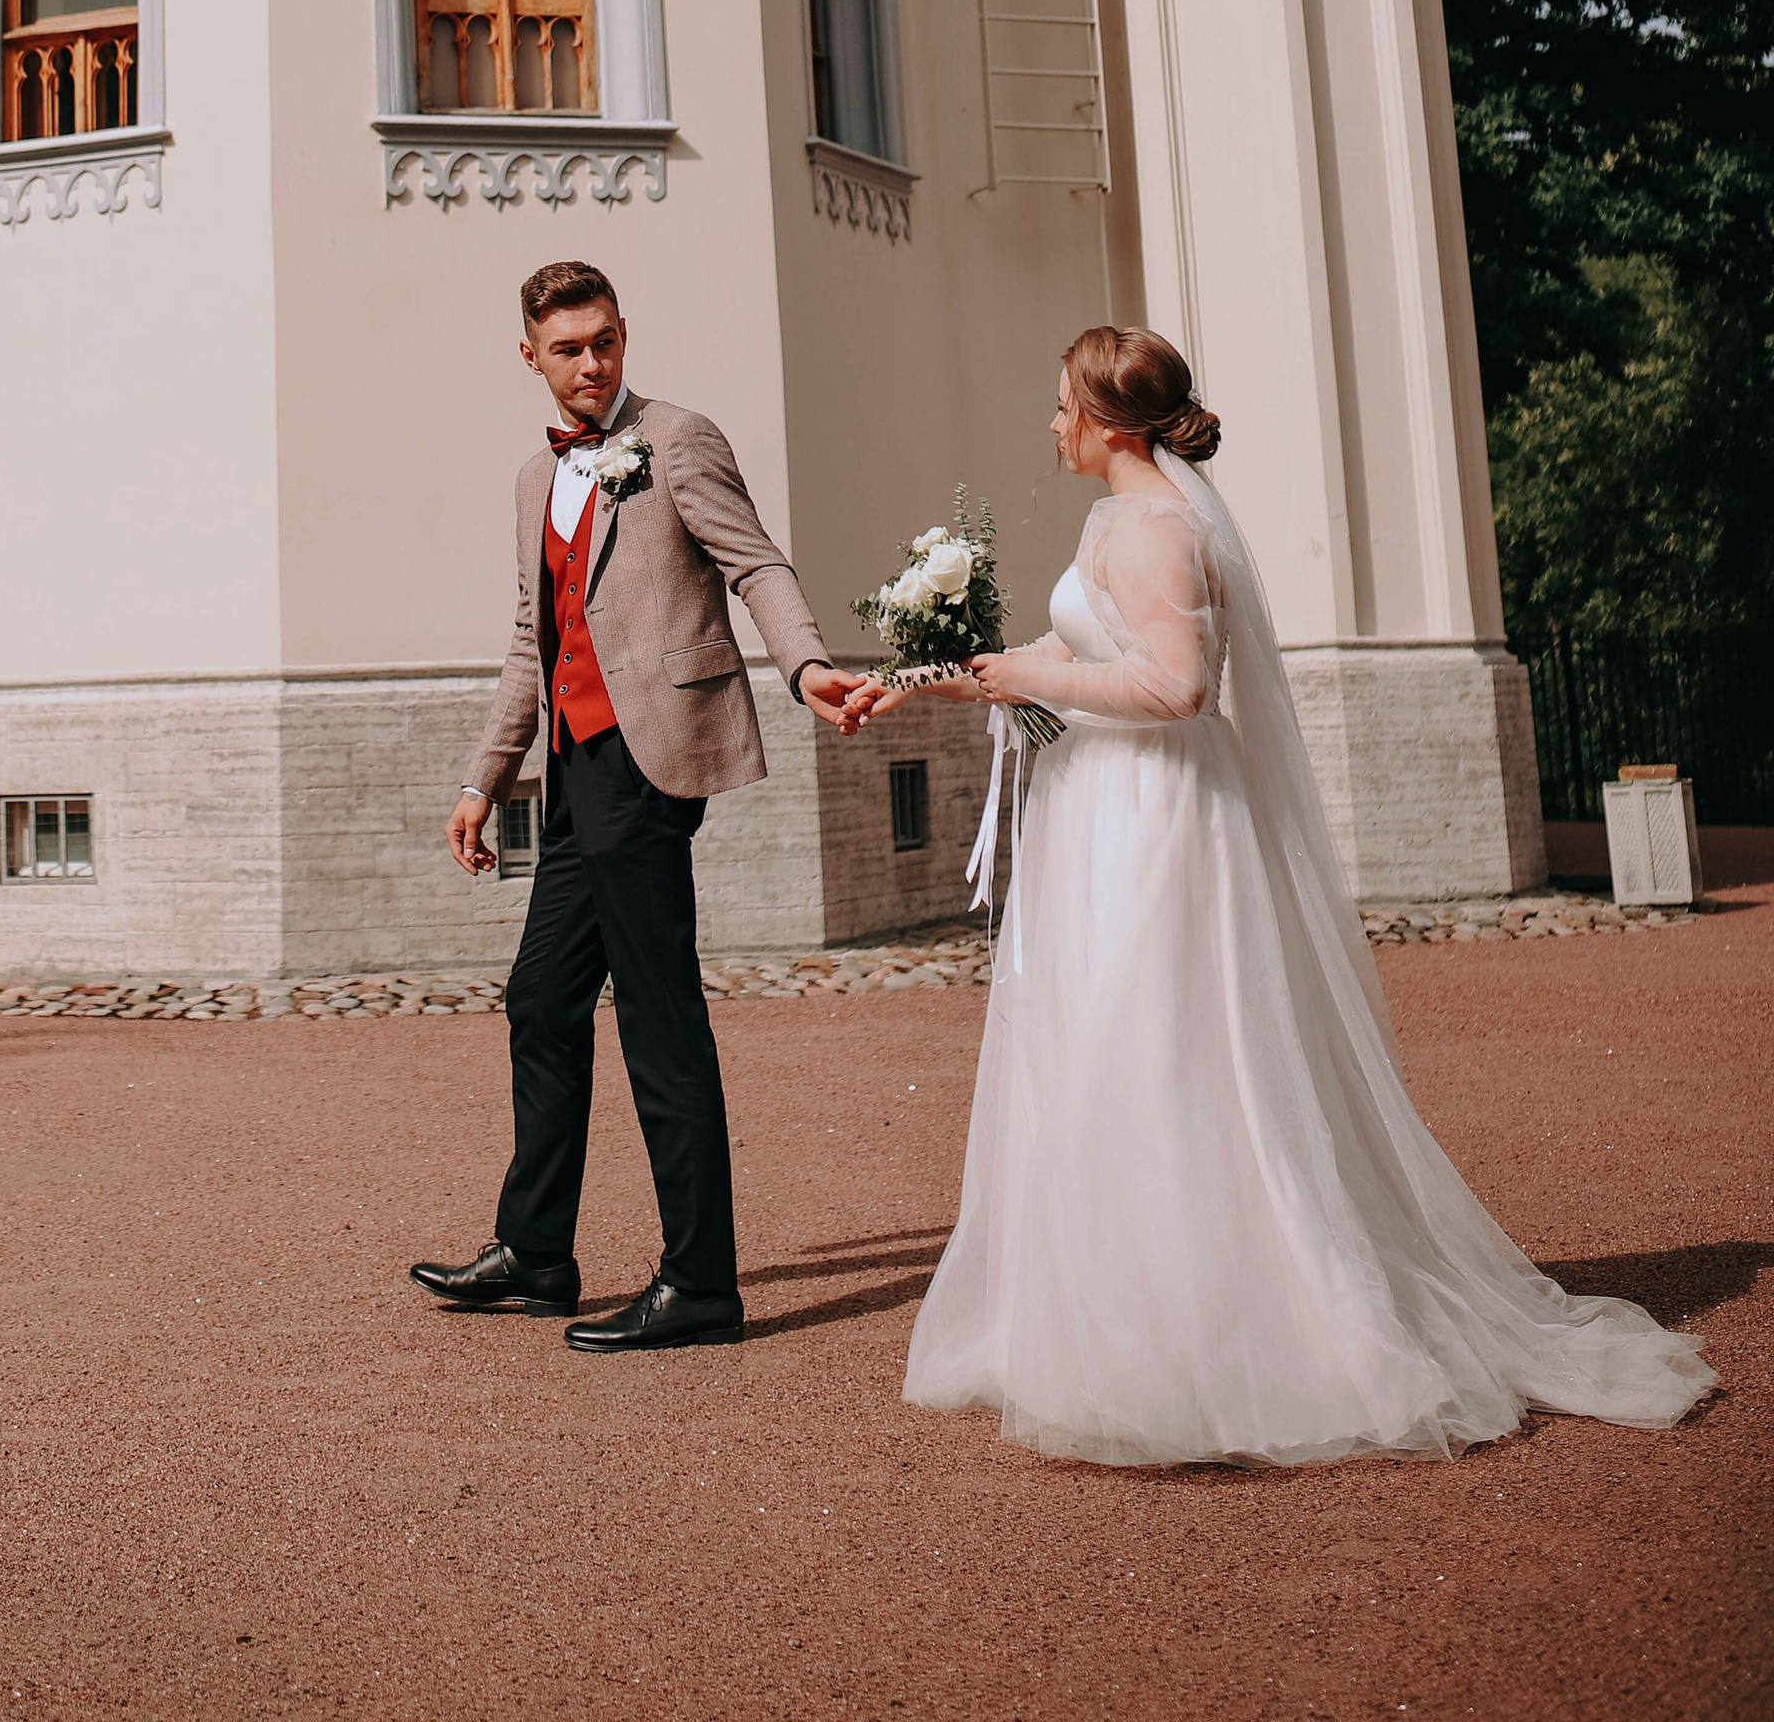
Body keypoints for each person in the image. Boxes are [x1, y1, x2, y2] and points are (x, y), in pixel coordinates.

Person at [892, 325, 1720, 1465]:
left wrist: (1030, 675)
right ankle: (1118, 1326)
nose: (1049, 424)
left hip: (1157, 819)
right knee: (1094, 1053)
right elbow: (1068, 650)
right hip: (1102, 810)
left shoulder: (1163, 530)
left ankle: (1230, 1341)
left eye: (1058, 406)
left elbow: (1177, 689)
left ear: (1104, 421)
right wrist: (913, 685)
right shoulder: (1112, 521)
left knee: (1164, 1054)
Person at [409, 260, 869, 1353]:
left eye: (604, 341)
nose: (590, 364)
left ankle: (700, 1281)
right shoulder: (535, 476)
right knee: (540, 1000)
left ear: (623, 338)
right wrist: (487, 776)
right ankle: (536, 1253)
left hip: (652, 760)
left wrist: (803, 669)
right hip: (573, 770)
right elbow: (536, 640)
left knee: (661, 1026)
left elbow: (755, 565)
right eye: (567, 348)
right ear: (530, 357)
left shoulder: (680, 438)